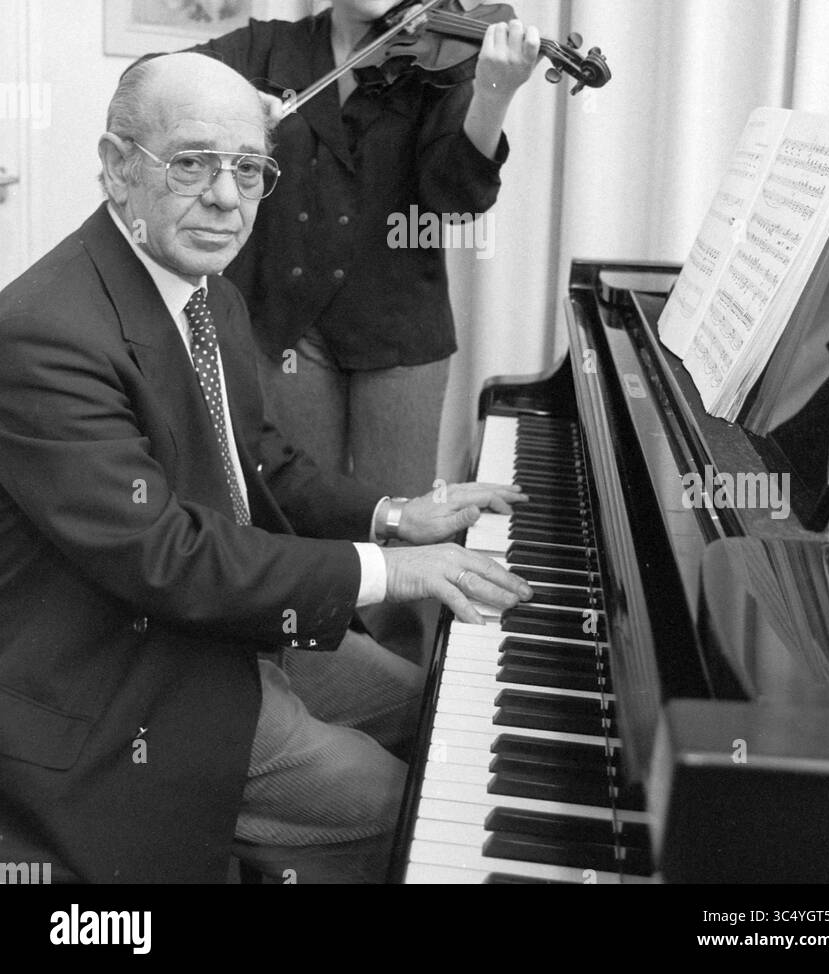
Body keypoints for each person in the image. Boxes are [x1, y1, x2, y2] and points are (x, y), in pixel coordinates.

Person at [0, 51, 532, 885]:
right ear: (115, 168)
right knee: (419, 807)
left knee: (443, 712)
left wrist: (396, 515)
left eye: (249, 169)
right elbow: (168, 558)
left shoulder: (205, 289)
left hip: (232, 630)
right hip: (131, 673)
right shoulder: (43, 334)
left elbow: (256, 463)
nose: (224, 196)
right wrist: (392, 572)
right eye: (192, 163)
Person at [193, 0, 540, 497]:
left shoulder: (439, 58)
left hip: (399, 325)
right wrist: (240, 108)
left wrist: (492, 92)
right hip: (288, 324)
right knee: (304, 517)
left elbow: (455, 198)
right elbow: (156, 79)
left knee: (402, 524)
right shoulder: (270, 50)